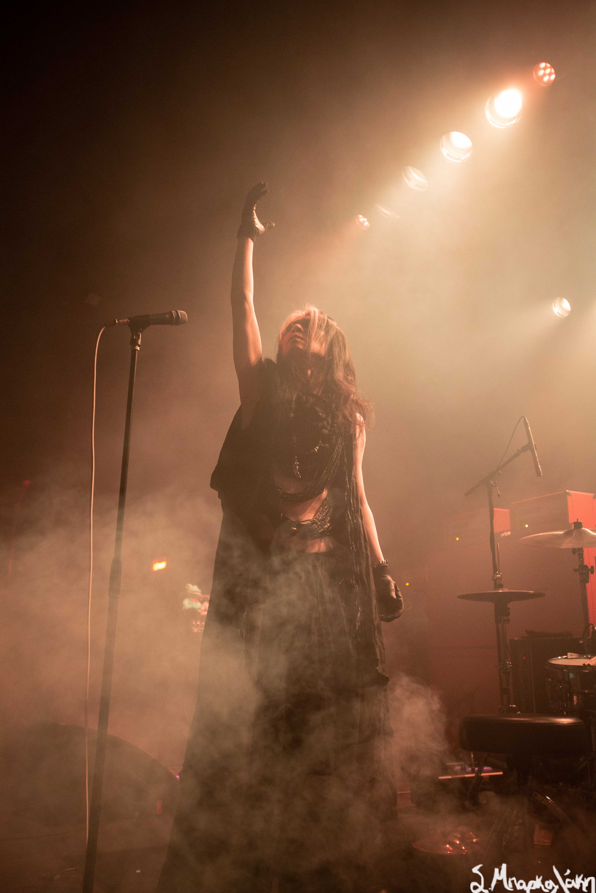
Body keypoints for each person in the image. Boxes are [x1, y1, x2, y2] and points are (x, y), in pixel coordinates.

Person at [157, 183, 404, 893]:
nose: (298, 327)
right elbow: (241, 307)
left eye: (311, 323)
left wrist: (382, 569)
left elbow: (358, 498)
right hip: (267, 587)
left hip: (326, 589)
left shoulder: (350, 418)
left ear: (333, 345)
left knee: (325, 729)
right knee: (258, 722)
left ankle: (322, 859)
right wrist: (246, 239)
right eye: (293, 323)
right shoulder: (261, 390)